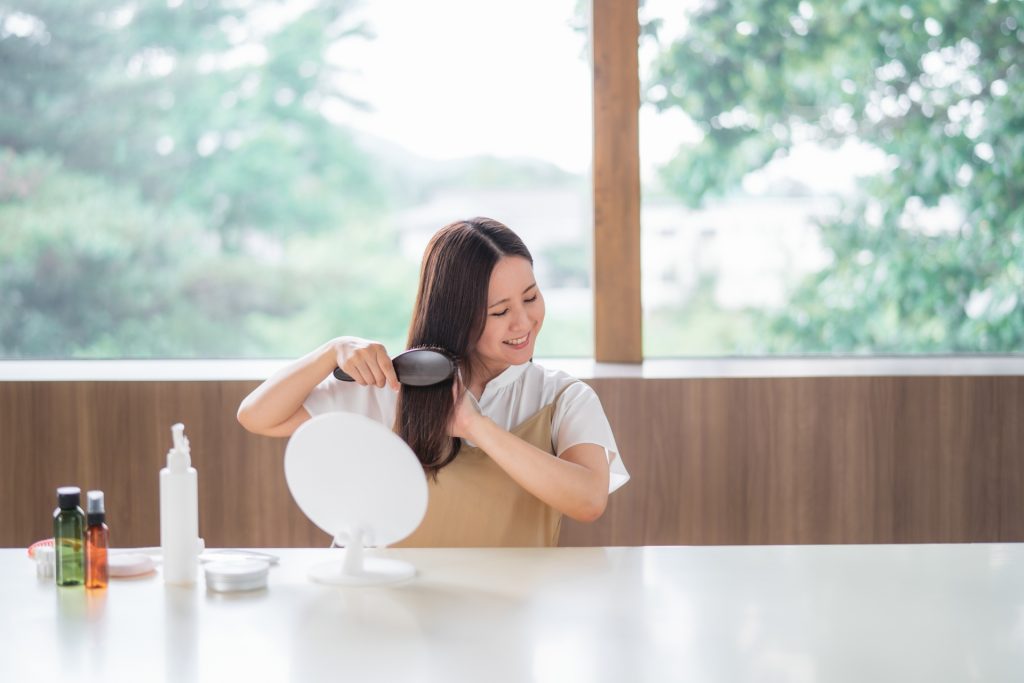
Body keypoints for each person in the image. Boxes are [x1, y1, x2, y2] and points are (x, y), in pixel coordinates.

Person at [237, 217, 629, 547]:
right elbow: (258, 416)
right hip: (394, 619)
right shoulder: (399, 384)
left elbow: (588, 501)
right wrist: (330, 351)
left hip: (503, 626)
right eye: (499, 312)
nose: (523, 323)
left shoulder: (563, 397)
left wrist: (475, 426)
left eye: (530, 298)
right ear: (456, 315)